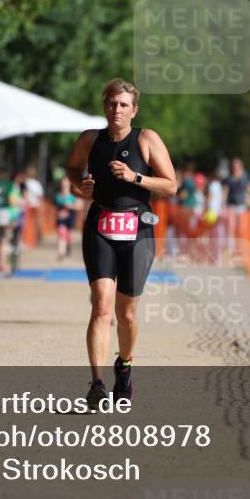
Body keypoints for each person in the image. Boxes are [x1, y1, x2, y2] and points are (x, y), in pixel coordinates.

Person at [65, 78, 177, 409]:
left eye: (124, 105)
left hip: (137, 231)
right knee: (101, 305)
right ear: (105, 106)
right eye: (112, 103)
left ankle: (124, 365)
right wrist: (80, 184)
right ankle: (97, 383)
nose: (117, 110)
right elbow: (72, 169)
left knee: (126, 313)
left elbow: (171, 185)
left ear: (133, 110)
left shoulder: (146, 139)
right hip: (100, 225)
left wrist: (135, 177)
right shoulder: (90, 139)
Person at [54, 177, 78, 261]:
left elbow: (79, 206)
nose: (64, 184)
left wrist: (71, 206)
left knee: (69, 236)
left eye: (66, 183)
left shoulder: (73, 196)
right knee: (61, 234)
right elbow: (57, 205)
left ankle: (68, 248)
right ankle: (61, 253)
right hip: (61, 219)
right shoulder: (58, 195)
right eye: (63, 183)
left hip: (71, 217)